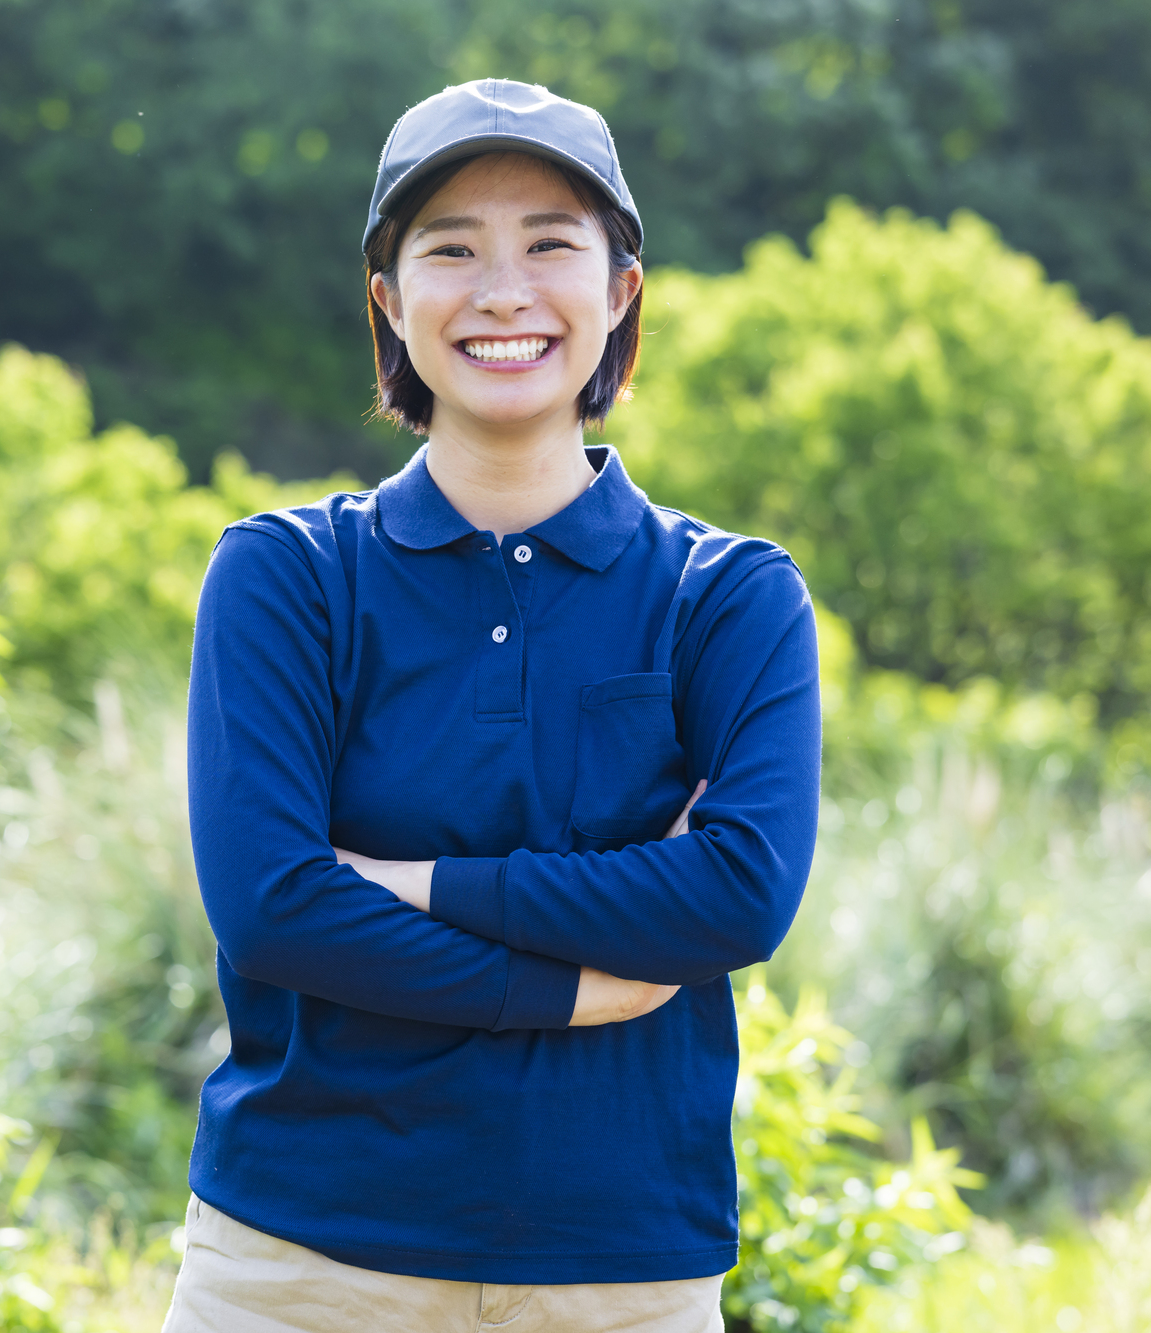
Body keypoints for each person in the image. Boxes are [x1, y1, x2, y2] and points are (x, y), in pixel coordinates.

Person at [166, 80, 822, 1333]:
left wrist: (406, 884)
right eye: (451, 250)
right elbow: (272, 909)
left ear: (622, 289)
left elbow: (736, 894)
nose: (503, 292)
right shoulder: (285, 577)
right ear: (388, 300)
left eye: (550, 245)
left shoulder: (726, 599)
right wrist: (580, 984)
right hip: (298, 1266)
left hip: (618, 1275)